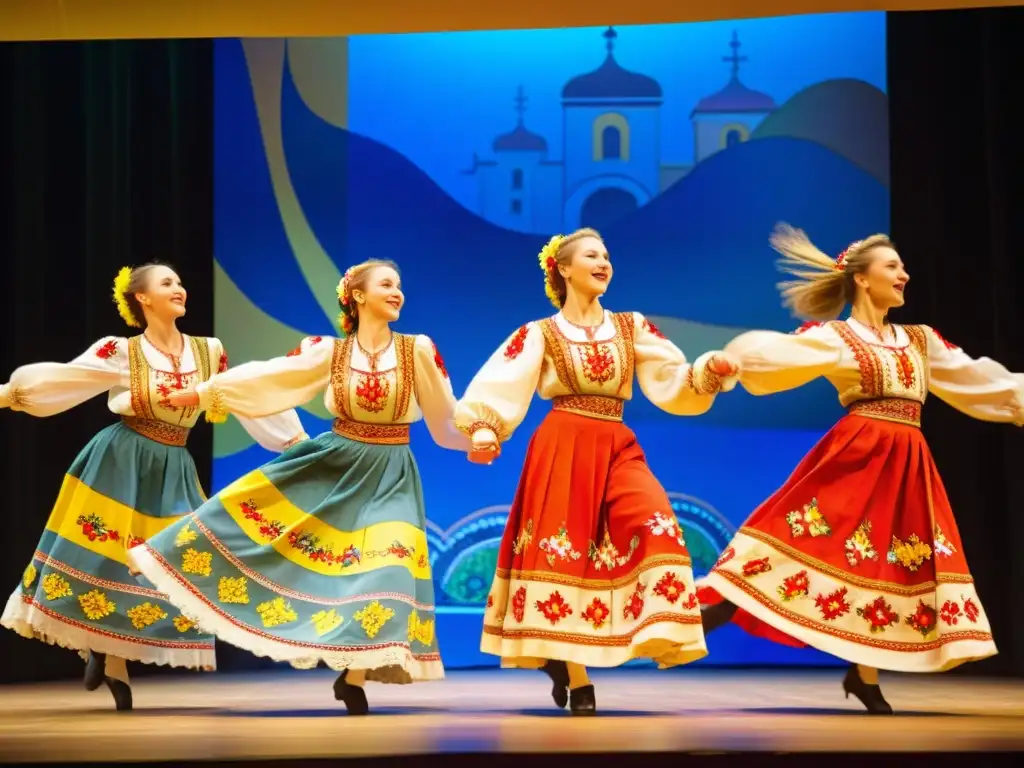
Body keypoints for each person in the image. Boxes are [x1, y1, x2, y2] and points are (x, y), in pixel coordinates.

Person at [696, 224, 1021, 714]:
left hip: (908, 465)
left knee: (886, 565)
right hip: (855, 459)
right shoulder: (838, 338)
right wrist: (732, 362)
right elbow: (773, 353)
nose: (905, 274)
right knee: (798, 547)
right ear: (863, 280)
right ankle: (706, 612)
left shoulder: (920, 341)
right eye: (893, 266)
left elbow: (977, 378)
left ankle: (863, 674)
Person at [130, 260, 467, 716]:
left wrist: (478, 436)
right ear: (358, 296)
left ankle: (352, 676)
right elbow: (272, 377)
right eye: (387, 284)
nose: (397, 292)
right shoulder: (329, 352)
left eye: (400, 286)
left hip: (392, 473)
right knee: (247, 513)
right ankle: (161, 558)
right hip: (338, 462)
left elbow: (445, 415)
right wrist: (207, 392)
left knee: (391, 569)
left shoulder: (417, 351)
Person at [456, 228, 739, 716]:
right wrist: (485, 427)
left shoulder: (631, 327)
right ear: (563, 269)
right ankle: (577, 674)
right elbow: (502, 383)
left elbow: (671, 378)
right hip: (563, 445)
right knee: (565, 554)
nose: (604, 261)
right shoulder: (540, 332)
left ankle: (641, 630)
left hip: (615, 442)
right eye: (591, 255)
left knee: (657, 524)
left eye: (607, 255)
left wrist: (705, 373)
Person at [0, 264, 306, 710]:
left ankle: (106, 652)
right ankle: (110, 659)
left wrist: (293, 443)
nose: (179, 288)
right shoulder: (121, 351)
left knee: (168, 561)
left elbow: (241, 394)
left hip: (173, 465)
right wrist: (11, 393)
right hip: (119, 460)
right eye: (166, 283)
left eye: (180, 282)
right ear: (142, 299)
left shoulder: (208, 351)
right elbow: (70, 377)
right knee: (106, 556)